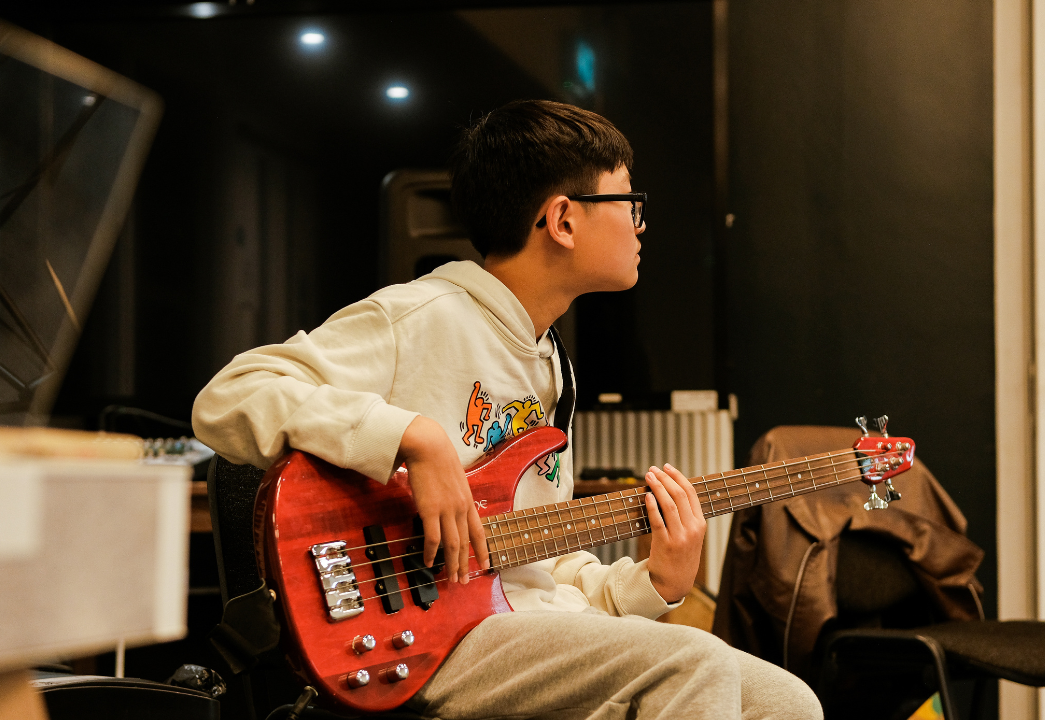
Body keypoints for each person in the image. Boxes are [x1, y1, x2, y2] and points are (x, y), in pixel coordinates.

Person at [192, 99, 822, 720]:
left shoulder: (553, 368)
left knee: (788, 702)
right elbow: (230, 397)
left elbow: (535, 560)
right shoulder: (418, 316)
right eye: (629, 203)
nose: (640, 224)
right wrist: (415, 437)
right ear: (564, 220)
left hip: (520, 623)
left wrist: (655, 583)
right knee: (692, 661)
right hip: (435, 636)